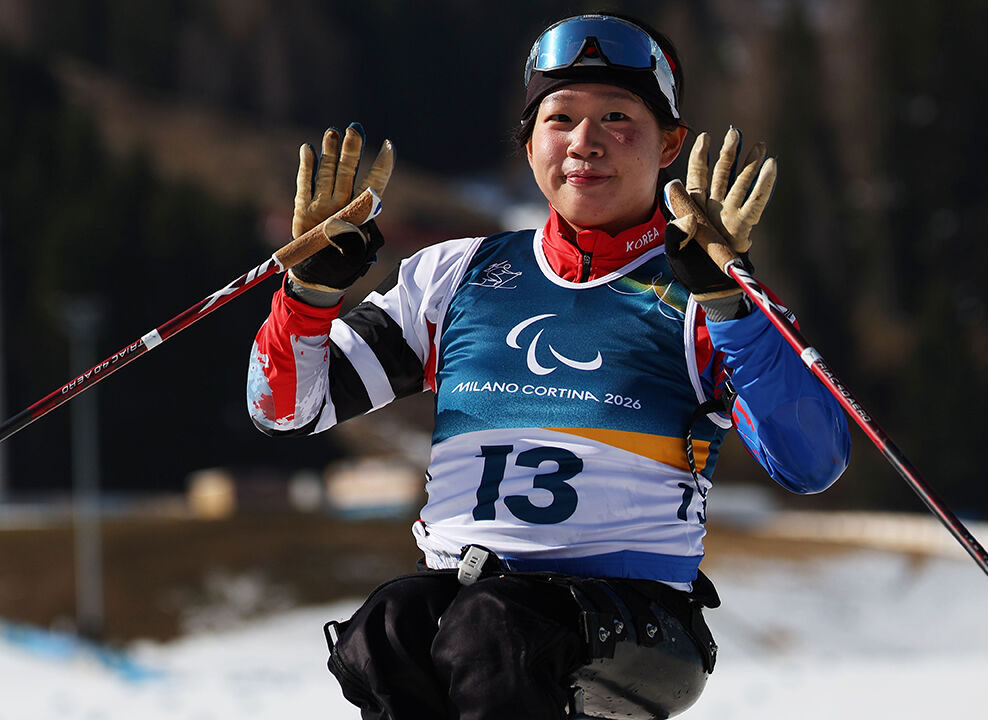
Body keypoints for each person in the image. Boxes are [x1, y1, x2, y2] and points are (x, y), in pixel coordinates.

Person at [247, 12, 850, 720]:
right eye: (560, 118)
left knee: (493, 628)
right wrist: (308, 295)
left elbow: (811, 460)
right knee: (391, 627)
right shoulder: (457, 275)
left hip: (632, 624)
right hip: (467, 598)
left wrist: (731, 305)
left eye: (618, 119)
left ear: (669, 145)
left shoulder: (705, 295)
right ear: (528, 141)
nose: (584, 144)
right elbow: (285, 408)